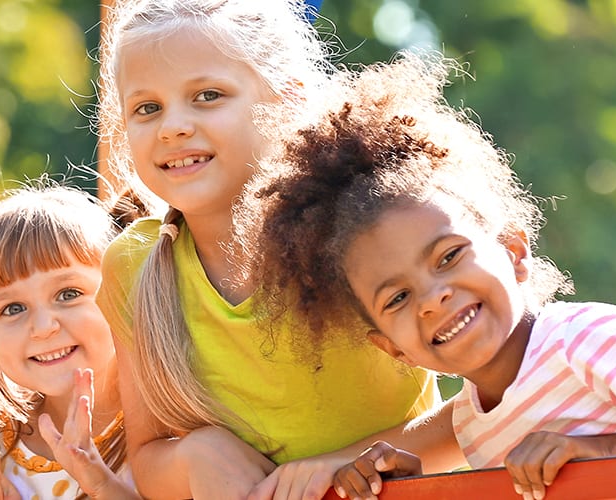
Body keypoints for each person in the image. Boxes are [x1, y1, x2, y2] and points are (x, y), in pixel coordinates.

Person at [235, 58, 616, 500]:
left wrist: (600, 450)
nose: (435, 298)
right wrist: (385, 476)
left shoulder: (582, 341)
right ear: (391, 348)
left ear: (513, 252)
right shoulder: (471, 420)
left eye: (449, 257)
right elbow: (406, 450)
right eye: (400, 297)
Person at [92, 1, 440, 498]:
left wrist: (341, 463)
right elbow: (147, 459)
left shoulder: (368, 232)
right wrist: (198, 453)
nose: (172, 127)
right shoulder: (134, 266)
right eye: (147, 108)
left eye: (207, 95)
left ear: (289, 100)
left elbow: (479, 408)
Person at [0, 186, 146, 500]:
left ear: (124, 288)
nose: (42, 328)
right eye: (13, 308)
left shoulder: (162, 435)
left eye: (68, 294)